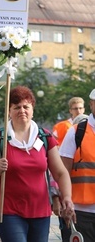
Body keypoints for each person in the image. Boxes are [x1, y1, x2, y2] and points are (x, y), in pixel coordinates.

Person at [0, 86, 75, 242]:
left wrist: (67, 197)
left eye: (26, 106)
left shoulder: (45, 136)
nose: (21, 110)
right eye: (16, 107)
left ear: (32, 110)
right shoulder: (0, 138)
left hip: (40, 211)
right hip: (8, 210)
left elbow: (60, 173)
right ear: (9, 111)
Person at [59, 88, 95, 241]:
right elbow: (62, 171)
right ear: (92, 104)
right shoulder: (76, 132)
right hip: (81, 211)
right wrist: (63, 202)